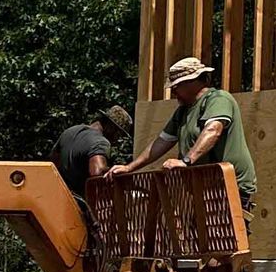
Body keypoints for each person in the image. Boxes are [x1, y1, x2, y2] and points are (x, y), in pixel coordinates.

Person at [109, 56, 258, 207]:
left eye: (176, 86)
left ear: (193, 81)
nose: (173, 91)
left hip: (229, 185)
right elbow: (162, 141)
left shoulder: (218, 99)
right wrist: (129, 168)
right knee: (201, 229)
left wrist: (185, 161)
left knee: (224, 230)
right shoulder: (183, 112)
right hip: (205, 187)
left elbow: (213, 130)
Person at [51, 104, 134, 211]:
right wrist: (116, 174)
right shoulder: (100, 142)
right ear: (111, 127)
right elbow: (97, 173)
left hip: (57, 198)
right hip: (78, 207)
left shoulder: (70, 131)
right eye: (119, 134)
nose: (117, 139)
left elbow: (53, 160)